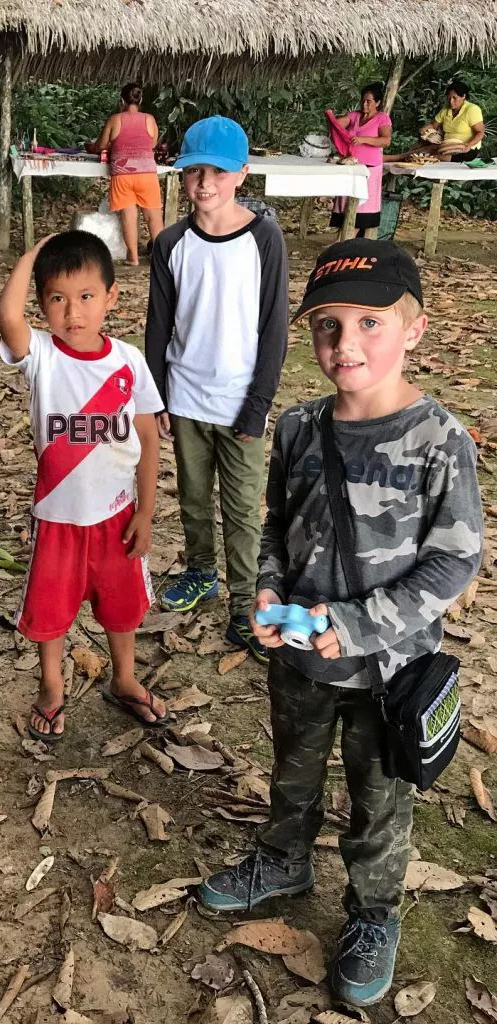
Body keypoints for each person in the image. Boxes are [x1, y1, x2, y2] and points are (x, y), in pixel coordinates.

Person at [197, 239, 483, 1008]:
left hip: (390, 673)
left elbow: (454, 564)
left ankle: (373, 913)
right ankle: (282, 859)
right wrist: (262, 594)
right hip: (299, 661)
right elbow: (274, 527)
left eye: (369, 323)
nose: (344, 343)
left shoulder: (440, 441)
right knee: (291, 772)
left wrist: (358, 626)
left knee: (379, 801)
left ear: (413, 329)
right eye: (327, 325)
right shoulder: (297, 427)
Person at [0, 230, 166, 742]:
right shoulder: (42, 355)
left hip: (117, 514)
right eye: (57, 298)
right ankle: (51, 686)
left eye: (87, 296)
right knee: (50, 611)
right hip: (57, 517)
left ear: (111, 297)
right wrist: (31, 254)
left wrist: (147, 510)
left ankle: (125, 678)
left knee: (121, 606)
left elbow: (149, 439)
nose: (73, 311)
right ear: (42, 303)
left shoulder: (129, 361)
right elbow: (7, 317)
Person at [145, 116, 289, 662]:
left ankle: (243, 607)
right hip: (185, 398)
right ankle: (201, 569)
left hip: (241, 401)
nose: (205, 183)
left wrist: (258, 404)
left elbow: (274, 327)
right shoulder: (171, 242)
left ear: (242, 174)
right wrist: (156, 393)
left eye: (219, 172)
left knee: (243, 509)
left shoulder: (264, 238)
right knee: (194, 497)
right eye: (194, 171)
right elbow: (159, 325)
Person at [91, 82, 162, 266]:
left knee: (128, 215)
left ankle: (133, 257)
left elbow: (100, 145)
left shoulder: (115, 119)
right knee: (152, 215)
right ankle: (162, 257)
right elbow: (153, 143)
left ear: (122, 100)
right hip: (147, 173)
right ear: (141, 100)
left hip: (122, 174)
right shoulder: (149, 119)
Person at [326, 82, 392, 236]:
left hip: (369, 169)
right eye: (363, 100)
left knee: (362, 207)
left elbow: (386, 140)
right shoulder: (354, 115)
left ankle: (347, 239)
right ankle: (343, 237)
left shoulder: (382, 118)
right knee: (346, 203)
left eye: (369, 101)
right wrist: (331, 119)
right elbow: (336, 124)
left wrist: (363, 139)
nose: (364, 104)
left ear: (377, 103)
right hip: (350, 166)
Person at [385, 79, 484, 163]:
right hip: (445, 146)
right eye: (449, 98)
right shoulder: (446, 109)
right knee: (422, 148)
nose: (451, 101)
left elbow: (480, 132)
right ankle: (397, 158)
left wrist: (468, 145)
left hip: (466, 150)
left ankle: (395, 158)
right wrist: (424, 130)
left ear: (463, 96)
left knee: (428, 155)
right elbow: (433, 125)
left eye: (455, 98)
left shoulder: (472, 109)